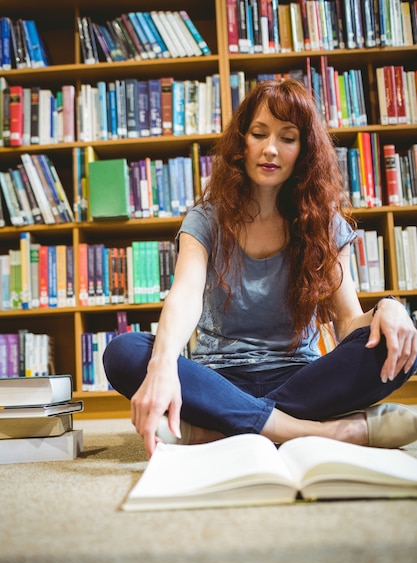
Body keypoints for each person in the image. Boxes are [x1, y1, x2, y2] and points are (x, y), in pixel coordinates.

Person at [103, 78, 417, 458]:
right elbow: (185, 296)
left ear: (304, 150)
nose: (270, 149)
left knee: (403, 341)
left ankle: (220, 430)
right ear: (241, 141)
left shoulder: (324, 225)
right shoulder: (207, 219)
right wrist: (165, 362)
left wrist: (390, 307)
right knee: (123, 352)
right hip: (218, 378)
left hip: (299, 378)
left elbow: (349, 323)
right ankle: (324, 432)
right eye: (259, 133)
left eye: (287, 137)